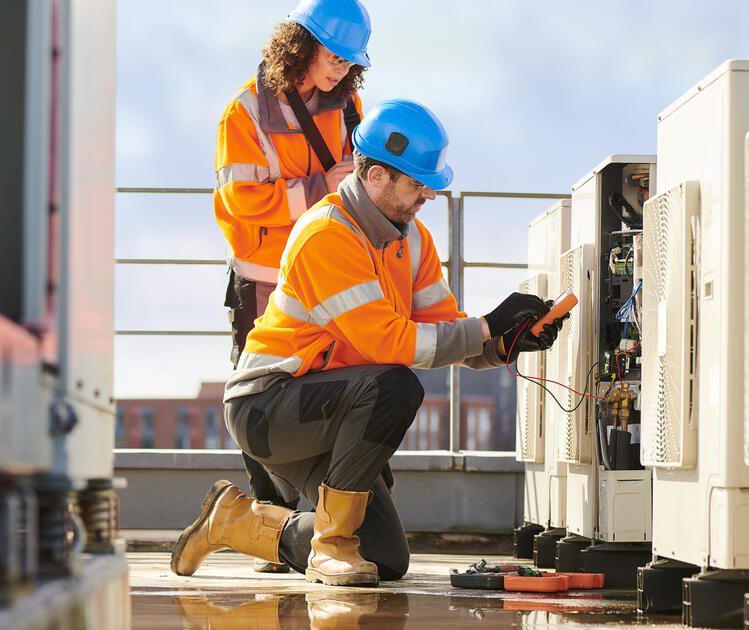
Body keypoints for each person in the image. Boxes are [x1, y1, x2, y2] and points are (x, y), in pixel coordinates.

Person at [173, 99, 566, 586]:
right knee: (397, 386)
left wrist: (505, 342)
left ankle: (235, 521)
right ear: (377, 175)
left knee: (383, 559)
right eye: (418, 183)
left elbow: (443, 326)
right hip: (269, 407)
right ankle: (331, 546)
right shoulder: (326, 234)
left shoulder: (412, 238)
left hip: (332, 409)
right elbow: (389, 342)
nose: (428, 194)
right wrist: (487, 326)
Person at [213, 0, 370, 573]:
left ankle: (306, 526)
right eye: (334, 56)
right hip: (264, 279)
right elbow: (240, 201)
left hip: (324, 272)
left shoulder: (349, 102)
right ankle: (266, 524)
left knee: (323, 389)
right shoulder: (245, 112)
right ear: (302, 44)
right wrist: (319, 186)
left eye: (351, 61)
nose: (341, 69)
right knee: (260, 398)